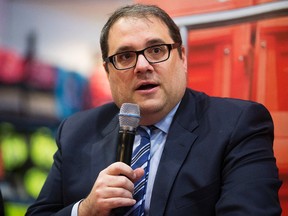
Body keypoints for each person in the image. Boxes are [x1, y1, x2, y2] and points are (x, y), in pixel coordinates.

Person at [26, 4, 282, 216]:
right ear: (108, 72)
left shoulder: (238, 124)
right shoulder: (76, 132)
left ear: (182, 57)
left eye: (156, 50)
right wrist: (85, 209)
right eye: (125, 56)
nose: (142, 65)